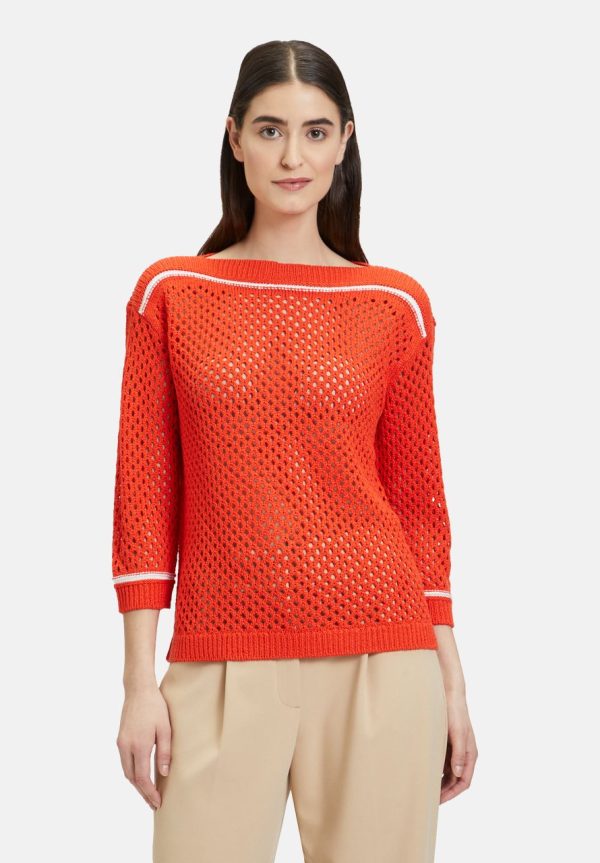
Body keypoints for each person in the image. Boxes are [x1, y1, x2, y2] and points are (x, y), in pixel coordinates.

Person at [112, 38, 478, 863]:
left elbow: (421, 509)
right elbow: (144, 498)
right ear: (235, 138)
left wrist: (453, 683)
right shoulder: (171, 293)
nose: (292, 156)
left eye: (315, 132)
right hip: (217, 658)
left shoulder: (394, 303)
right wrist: (137, 683)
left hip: (384, 657)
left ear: (344, 142)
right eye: (270, 130)